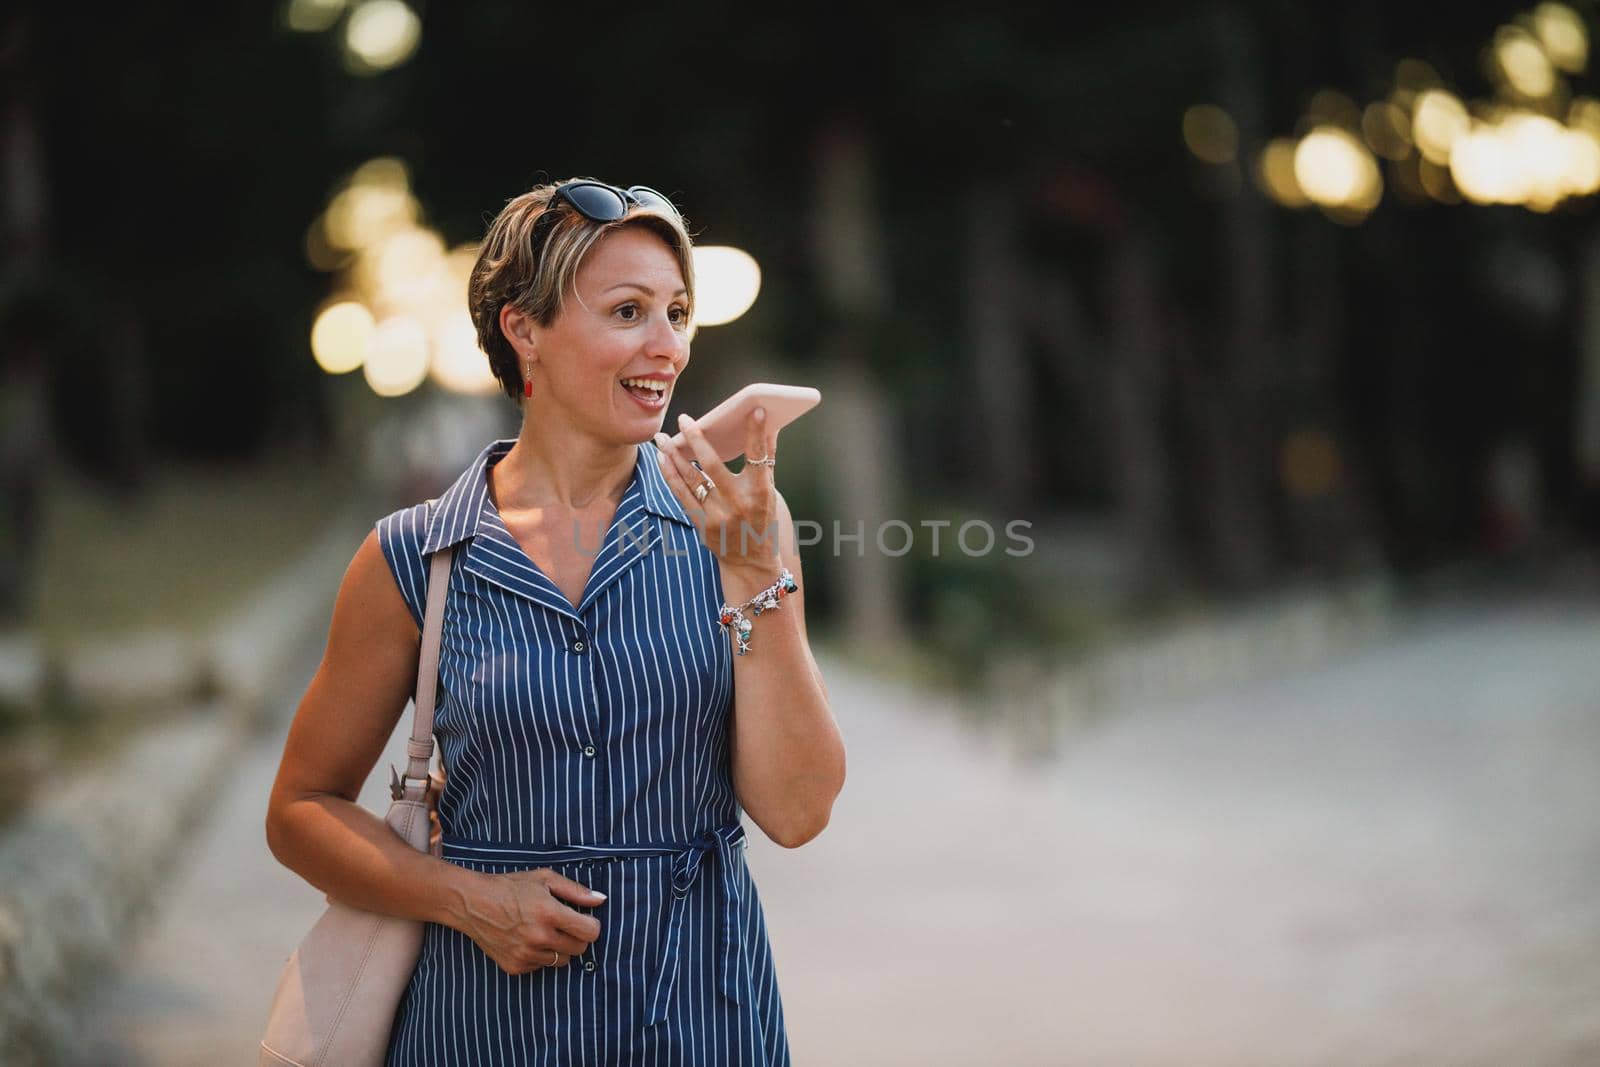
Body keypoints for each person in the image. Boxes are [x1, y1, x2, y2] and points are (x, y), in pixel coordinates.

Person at [265, 178, 846, 1066]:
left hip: (698, 1023)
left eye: (678, 312)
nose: (669, 347)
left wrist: (758, 578)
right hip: (479, 1032)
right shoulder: (414, 559)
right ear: (523, 329)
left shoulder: (736, 532)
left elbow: (798, 812)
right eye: (628, 311)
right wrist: (465, 896)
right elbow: (299, 810)